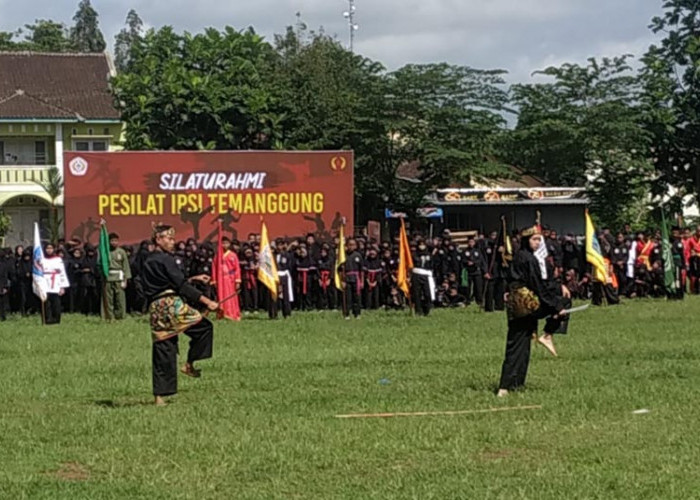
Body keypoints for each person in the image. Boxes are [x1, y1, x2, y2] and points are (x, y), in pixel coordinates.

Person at [142, 224, 219, 406]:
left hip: (155, 308)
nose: (172, 242)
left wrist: (193, 279)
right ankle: (189, 363)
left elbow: (162, 283)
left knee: (163, 348)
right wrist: (207, 302)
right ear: (158, 239)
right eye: (168, 239)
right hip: (172, 306)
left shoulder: (146, 260)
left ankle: (159, 397)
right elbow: (181, 286)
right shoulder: (167, 260)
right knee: (204, 328)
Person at [498, 226, 566, 397]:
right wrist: (555, 307)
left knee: (520, 342)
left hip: (516, 305)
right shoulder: (529, 259)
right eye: (534, 239)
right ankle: (548, 333)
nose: (538, 243)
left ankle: (512, 384)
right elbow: (537, 285)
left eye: (539, 240)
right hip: (526, 304)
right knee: (563, 302)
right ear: (526, 241)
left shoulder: (518, 257)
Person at [101, 232, 132, 321]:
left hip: (119, 277)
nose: (114, 242)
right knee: (108, 299)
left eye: (116, 241)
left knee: (120, 299)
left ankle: (120, 316)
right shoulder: (105, 252)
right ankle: (109, 317)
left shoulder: (121, 252)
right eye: (112, 241)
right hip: (108, 277)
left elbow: (125, 266)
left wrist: (125, 279)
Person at [213, 237, 242, 320]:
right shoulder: (217, 256)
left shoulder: (233, 255)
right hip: (221, 280)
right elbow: (214, 268)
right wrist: (214, 280)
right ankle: (222, 313)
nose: (225, 245)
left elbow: (237, 269)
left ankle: (232, 313)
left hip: (230, 279)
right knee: (221, 296)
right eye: (223, 243)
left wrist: (237, 281)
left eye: (226, 243)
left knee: (231, 297)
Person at [42, 243, 70, 325]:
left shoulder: (58, 259)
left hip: (55, 282)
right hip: (45, 282)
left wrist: (62, 286)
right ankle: (48, 318)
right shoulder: (42, 259)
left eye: (51, 248)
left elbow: (62, 273)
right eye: (47, 248)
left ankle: (56, 319)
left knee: (56, 302)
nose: (49, 250)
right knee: (46, 302)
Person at [343, 238, 363, 318]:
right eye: (349, 245)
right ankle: (346, 313)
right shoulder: (343, 256)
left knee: (357, 297)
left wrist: (362, 281)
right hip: (347, 278)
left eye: (353, 245)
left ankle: (357, 313)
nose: (351, 247)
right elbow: (341, 269)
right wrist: (342, 280)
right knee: (348, 297)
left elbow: (361, 270)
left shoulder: (358, 255)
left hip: (356, 278)